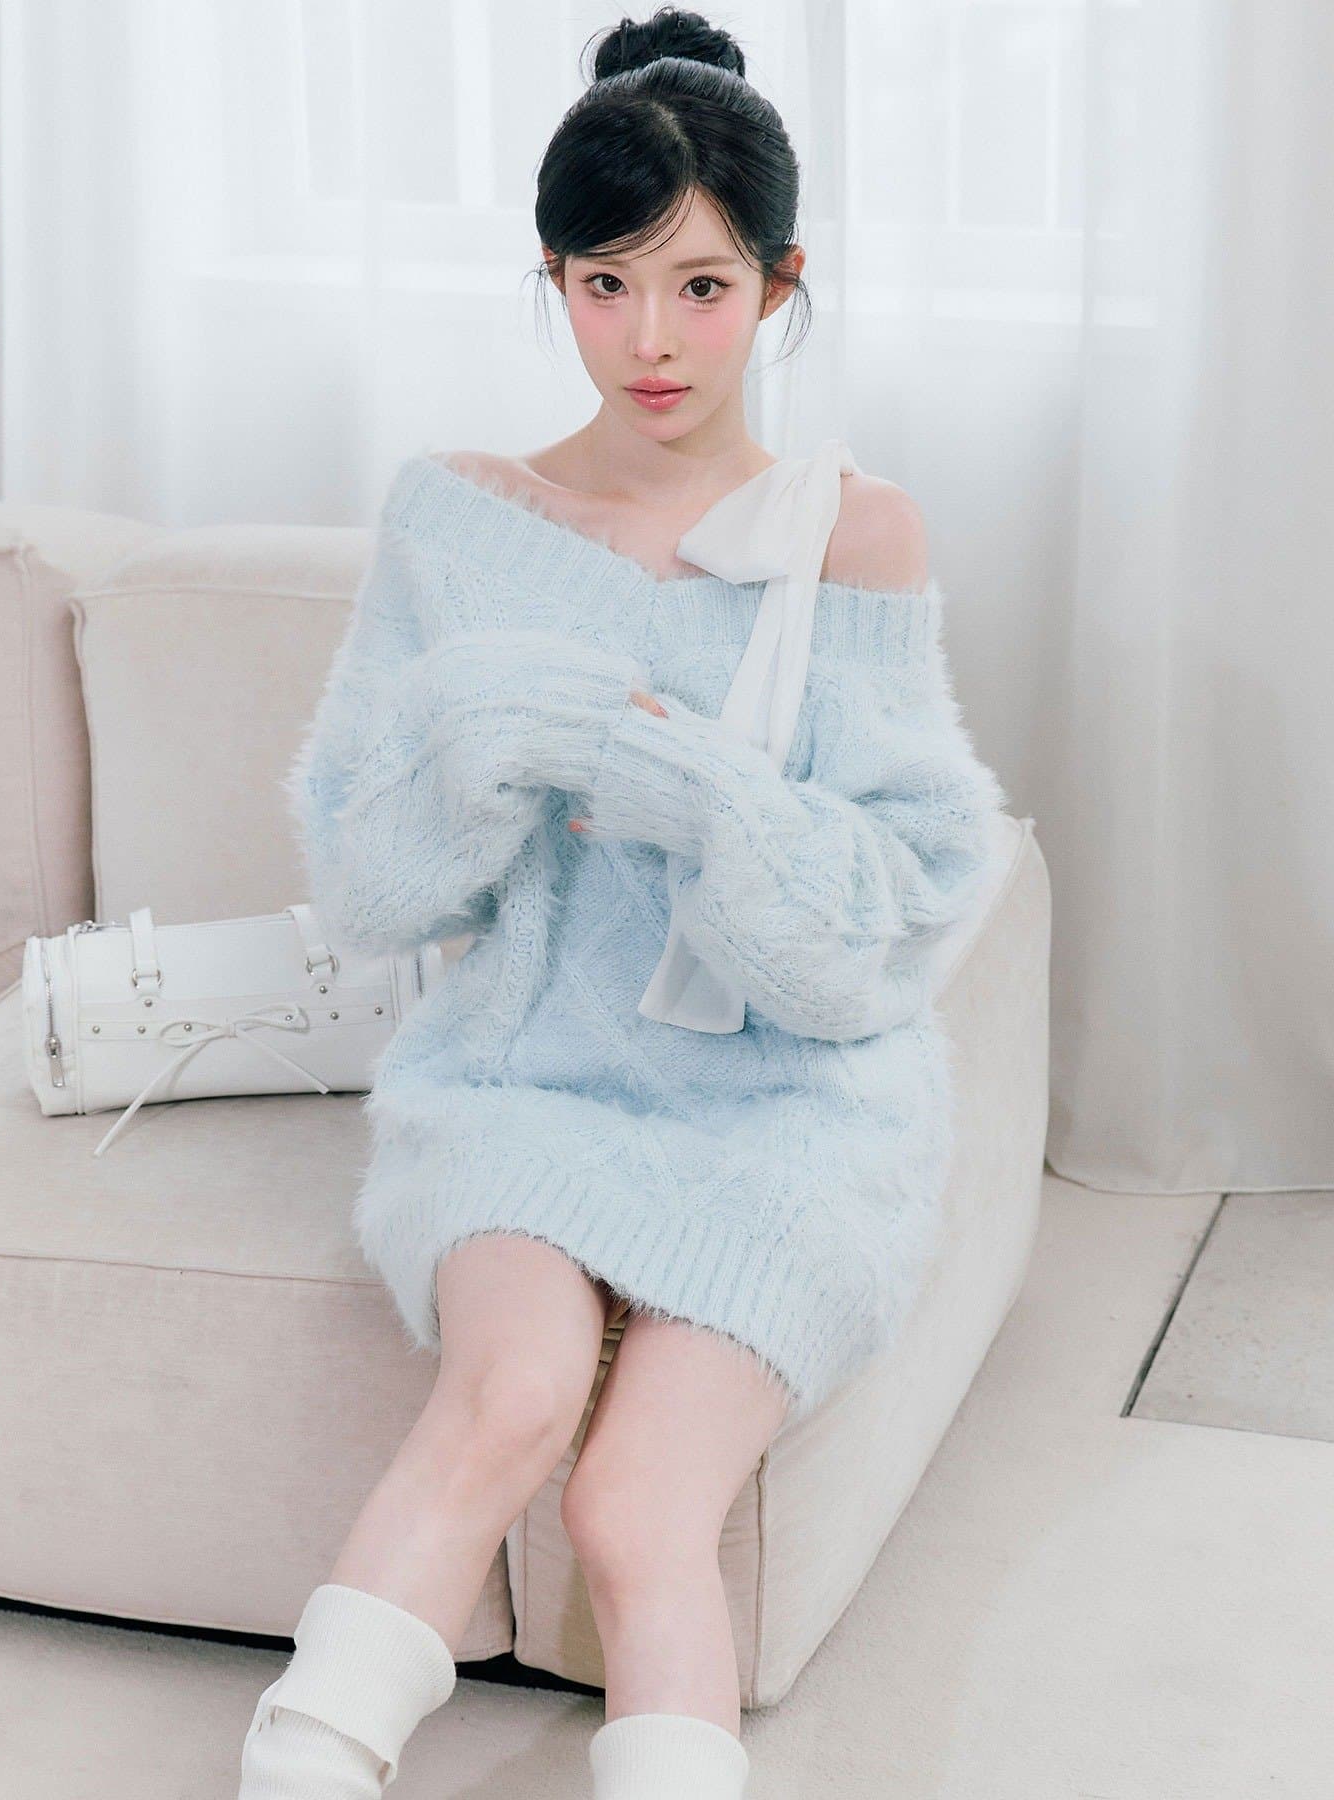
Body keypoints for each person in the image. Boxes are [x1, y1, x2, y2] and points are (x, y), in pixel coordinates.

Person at [238, 8, 1007, 1798]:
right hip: (528, 1074)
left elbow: (888, 929)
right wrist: (482, 723)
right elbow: (370, 882)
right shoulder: (458, 519)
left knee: (638, 1504)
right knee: (507, 1397)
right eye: (604, 285)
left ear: (782, 285)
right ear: (554, 281)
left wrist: (691, 785)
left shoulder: (850, 536)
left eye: (701, 287)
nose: (650, 341)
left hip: (789, 1107)